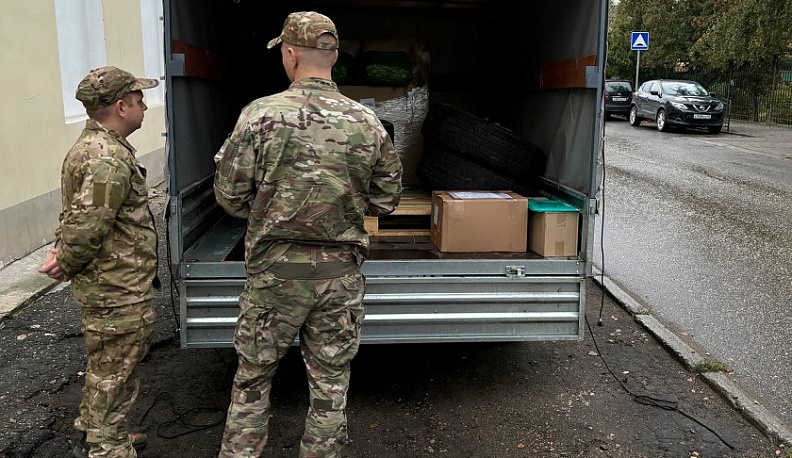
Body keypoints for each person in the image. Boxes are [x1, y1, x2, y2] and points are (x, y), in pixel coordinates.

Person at [213, 10, 403, 458]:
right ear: (334, 56)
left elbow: (229, 196)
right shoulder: (367, 121)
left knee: (253, 379)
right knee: (331, 383)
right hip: (339, 276)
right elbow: (386, 198)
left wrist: (269, 210)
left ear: (291, 55)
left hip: (275, 273)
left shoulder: (259, 115)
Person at [38, 66, 160, 458]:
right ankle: (107, 447)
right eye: (139, 101)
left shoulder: (95, 147)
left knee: (108, 365)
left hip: (113, 282)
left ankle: (95, 431)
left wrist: (64, 253)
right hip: (116, 287)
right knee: (116, 371)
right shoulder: (107, 158)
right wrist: (66, 260)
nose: (144, 107)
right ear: (121, 107)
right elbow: (89, 225)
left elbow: (77, 216)